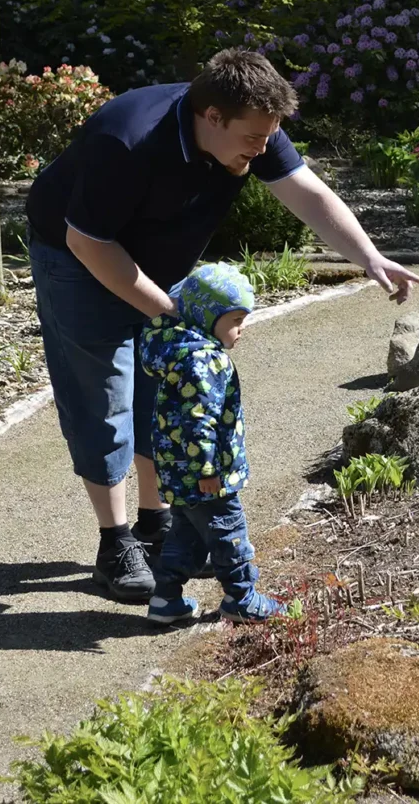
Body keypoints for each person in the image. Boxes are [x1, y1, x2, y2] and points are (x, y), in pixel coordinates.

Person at [26, 48, 419, 602]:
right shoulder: (128, 141)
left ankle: (156, 525)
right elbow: (87, 241)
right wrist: (167, 308)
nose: (262, 150)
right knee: (103, 396)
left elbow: (306, 193)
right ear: (212, 117)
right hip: (76, 258)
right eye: (254, 139)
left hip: (158, 264)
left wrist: (370, 257)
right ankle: (114, 544)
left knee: (162, 388)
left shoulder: (249, 122)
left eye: (269, 138)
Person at [141, 261, 283, 625]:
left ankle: (165, 600)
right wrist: (207, 468)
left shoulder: (180, 350)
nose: (242, 329)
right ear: (206, 317)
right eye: (235, 320)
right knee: (228, 532)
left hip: (177, 472)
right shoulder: (204, 361)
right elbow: (199, 420)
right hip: (206, 475)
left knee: (185, 537)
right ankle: (241, 598)